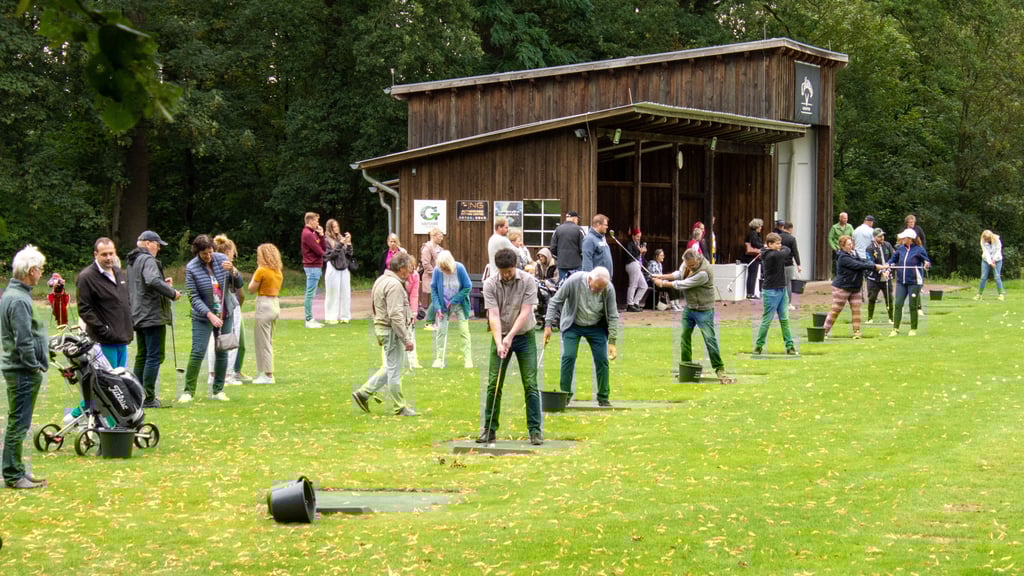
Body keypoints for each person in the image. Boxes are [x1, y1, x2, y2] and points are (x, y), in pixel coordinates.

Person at [478, 248, 542, 445]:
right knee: (493, 384)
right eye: (503, 271)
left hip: (524, 336)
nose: (506, 275)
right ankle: (489, 429)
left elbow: (525, 312)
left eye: (510, 271)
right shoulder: (489, 284)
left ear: (516, 266)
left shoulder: (528, 281)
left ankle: (535, 430)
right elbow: (494, 315)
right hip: (500, 335)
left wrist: (511, 336)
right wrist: (499, 341)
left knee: (530, 383)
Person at [2, 245, 49, 489]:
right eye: (40, 269)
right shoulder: (19, 299)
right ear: (31, 271)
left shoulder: (14, 294)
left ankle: (17, 469)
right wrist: (34, 366)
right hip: (21, 370)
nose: (41, 273)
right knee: (19, 423)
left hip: (18, 369)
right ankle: (12, 474)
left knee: (18, 420)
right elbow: (23, 339)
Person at [652, 249, 734, 383]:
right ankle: (686, 368)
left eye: (693, 266)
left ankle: (720, 370)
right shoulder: (687, 263)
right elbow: (679, 274)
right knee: (684, 337)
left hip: (704, 309)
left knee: (710, 340)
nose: (690, 268)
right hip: (689, 308)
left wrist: (663, 283)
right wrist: (661, 276)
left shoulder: (704, 272)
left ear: (699, 259)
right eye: (688, 265)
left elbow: (684, 283)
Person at [179, 234, 243, 403]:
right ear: (197, 253)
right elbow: (193, 297)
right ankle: (188, 391)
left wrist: (233, 271)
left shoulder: (221, 259)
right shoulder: (192, 268)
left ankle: (218, 390)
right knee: (198, 351)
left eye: (210, 252)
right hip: (203, 316)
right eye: (204, 254)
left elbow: (238, 284)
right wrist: (209, 315)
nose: (208, 256)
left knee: (222, 350)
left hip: (225, 312)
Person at [352, 252, 417, 417]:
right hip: (391, 331)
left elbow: (375, 308)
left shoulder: (381, 280)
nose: (410, 272)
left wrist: (379, 332)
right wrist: (406, 338)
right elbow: (395, 315)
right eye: (409, 268)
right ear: (401, 268)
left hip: (383, 329)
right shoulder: (394, 285)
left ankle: (363, 393)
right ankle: (400, 407)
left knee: (390, 367)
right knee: (395, 370)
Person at [543, 267, 619, 407]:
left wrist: (612, 342)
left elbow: (613, 315)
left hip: (596, 326)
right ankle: (564, 396)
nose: (599, 291)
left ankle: (603, 398)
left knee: (602, 360)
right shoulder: (574, 281)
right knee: (569, 357)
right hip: (573, 324)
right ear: (590, 279)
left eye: (602, 288)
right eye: (597, 287)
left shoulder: (608, 288)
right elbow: (555, 301)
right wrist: (548, 325)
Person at [126, 230, 181, 408]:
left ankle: (136, 395)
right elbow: (151, 280)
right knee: (154, 356)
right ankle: (148, 397)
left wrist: (162, 283)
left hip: (137, 314)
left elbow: (145, 283)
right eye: (158, 245)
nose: (158, 248)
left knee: (142, 356)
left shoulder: (132, 261)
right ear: (149, 243)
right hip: (152, 315)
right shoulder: (148, 259)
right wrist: (172, 293)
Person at [77, 237, 133, 368]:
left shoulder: (119, 272)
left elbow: (125, 300)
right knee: (110, 382)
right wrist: (103, 330)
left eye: (111, 253)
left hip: (122, 339)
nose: (108, 258)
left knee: (122, 379)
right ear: (95, 254)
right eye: (104, 254)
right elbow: (84, 309)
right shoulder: (86, 277)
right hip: (104, 342)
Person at [824, 235, 888, 339]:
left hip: (855, 287)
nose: (851, 246)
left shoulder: (854, 254)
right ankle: (824, 331)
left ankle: (856, 332)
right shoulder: (843, 257)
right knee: (836, 310)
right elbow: (858, 265)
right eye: (848, 244)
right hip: (842, 287)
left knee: (856, 310)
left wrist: (875, 264)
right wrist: (875, 267)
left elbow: (863, 261)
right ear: (842, 246)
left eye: (851, 244)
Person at [205, 235, 246, 386]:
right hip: (227, 306)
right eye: (232, 252)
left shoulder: (211, 266)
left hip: (214, 305)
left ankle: (212, 373)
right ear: (228, 251)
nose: (234, 255)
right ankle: (227, 374)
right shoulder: (225, 266)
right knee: (230, 337)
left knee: (214, 339)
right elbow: (239, 290)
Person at [750, 233, 797, 354]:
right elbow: (787, 250)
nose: (780, 245)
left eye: (780, 243)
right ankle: (758, 346)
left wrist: (778, 246)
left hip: (782, 289)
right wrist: (781, 248)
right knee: (767, 320)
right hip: (771, 291)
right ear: (769, 244)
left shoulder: (771, 251)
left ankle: (790, 346)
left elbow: (786, 249)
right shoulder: (772, 255)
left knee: (785, 320)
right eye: (777, 243)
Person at [431, 250, 473, 369]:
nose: (444, 270)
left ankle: (468, 360)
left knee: (464, 331)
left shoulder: (459, 268)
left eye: (446, 268)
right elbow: (433, 289)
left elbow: (467, 287)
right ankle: (439, 359)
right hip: (443, 305)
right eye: (442, 268)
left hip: (460, 304)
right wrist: (437, 307)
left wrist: (454, 300)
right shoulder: (437, 270)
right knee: (441, 331)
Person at [248, 243, 283, 384]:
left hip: (264, 304)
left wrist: (257, 270)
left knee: (262, 342)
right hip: (275, 304)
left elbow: (251, 288)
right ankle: (266, 373)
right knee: (268, 340)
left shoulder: (261, 270)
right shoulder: (278, 271)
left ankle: (267, 374)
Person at [887, 229, 931, 336]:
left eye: (904, 238)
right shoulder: (900, 249)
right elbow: (892, 260)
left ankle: (913, 328)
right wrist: (887, 268)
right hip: (901, 281)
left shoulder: (919, 250)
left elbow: (927, 262)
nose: (901, 239)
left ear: (910, 239)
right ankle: (895, 328)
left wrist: (926, 264)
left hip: (914, 282)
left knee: (912, 305)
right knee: (898, 304)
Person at [323, 219, 353, 324]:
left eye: (337, 226)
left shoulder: (341, 238)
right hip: (333, 267)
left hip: (344, 268)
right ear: (330, 228)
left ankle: (345, 316)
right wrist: (340, 244)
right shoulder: (326, 240)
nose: (336, 228)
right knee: (332, 293)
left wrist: (349, 243)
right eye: (334, 226)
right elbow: (330, 256)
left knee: (346, 293)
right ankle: (331, 316)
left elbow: (349, 255)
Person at [300, 212, 325, 329]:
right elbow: (319, 251)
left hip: (315, 266)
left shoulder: (313, 234)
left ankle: (310, 318)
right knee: (310, 293)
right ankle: (308, 319)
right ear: (310, 221)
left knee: (311, 293)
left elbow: (323, 247)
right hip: (312, 266)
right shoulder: (307, 234)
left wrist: (321, 235)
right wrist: (326, 254)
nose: (318, 223)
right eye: (316, 221)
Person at [866, 228, 894, 323]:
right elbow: (870, 263)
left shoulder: (887, 245)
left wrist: (888, 271)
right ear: (874, 237)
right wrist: (881, 271)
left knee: (889, 298)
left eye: (883, 235)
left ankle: (891, 318)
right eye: (879, 236)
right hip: (874, 278)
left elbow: (893, 259)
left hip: (887, 277)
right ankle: (870, 318)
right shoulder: (870, 248)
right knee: (872, 298)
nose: (882, 237)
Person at [419, 227, 444, 329]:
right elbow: (426, 264)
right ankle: (429, 322)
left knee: (436, 299)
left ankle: (432, 322)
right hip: (431, 278)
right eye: (440, 236)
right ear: (433, 236)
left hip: (440, 278)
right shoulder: (427, 248)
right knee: (435, 300)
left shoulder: (440, 249)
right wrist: (436, 273)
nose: (442, 238)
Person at [550, 210, 584, 282]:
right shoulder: (579, 230)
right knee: (576, 286)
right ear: (574, 218)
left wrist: (559, 257)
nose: (577, 221)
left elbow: (552, 248)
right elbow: (583, 248)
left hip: (562, 264)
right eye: (577, 219)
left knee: (563, 286)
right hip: (576, 265)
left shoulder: (557, 229)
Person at [403, 255, 422, 369]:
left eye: (412, 266)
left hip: (409, 305)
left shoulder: (415, 275)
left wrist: (413, 313)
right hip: (398, 306)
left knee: (411, 334)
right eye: (409, 266)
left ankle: (413, 361)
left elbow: (414, 295)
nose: (411, 269)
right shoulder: (399, 276)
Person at [623, 228, 648, 312]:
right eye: (637, 236)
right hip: (631, 264)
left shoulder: (636, 244)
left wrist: (642, 252)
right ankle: (630, 304)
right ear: (633, 236)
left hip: (637, 265)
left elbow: (640, 258)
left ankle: (635, 302)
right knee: (633, 284)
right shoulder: (629, 244)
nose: (639, 238)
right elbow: (630, 255)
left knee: (644, 286)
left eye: (640, 236)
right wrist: (640, 252)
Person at [976, 230, 1005, 301]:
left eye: (988, 239)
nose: (986, 240)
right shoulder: (982, 241)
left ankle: (1001, 294)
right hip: (986, 260)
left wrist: (994, 260)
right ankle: (979, 294)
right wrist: (990, 263)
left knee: (997, 277)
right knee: (983, 277)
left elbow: (998, 250)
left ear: (991, 237)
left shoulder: (997, 240)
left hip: (997, 260)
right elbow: (986, 253)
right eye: (985, 239)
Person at [780, 222, 802, 310]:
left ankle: (779, 303)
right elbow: (795, 252)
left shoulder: (778, 237)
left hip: (778, 263)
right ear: (790, 229)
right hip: (789, 263)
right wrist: (799, 264)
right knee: (788, 283)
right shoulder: (792, 239)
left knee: (779, 284)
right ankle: (788, 304)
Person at [743, 219, 764, 299]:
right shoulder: (754, 234)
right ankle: (750, 293)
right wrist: (763, 246)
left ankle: (750, 292)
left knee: (751, 275)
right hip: (752, 257)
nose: (761, 228)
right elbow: (755, 243)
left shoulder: (751, 233)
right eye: (760, 226)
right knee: (753, 275)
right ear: (757, 226)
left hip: (750, 257)